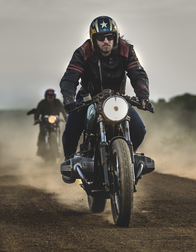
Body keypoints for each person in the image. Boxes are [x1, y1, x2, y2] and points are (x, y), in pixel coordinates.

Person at [59, 15, 151, 170]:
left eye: (109, 37)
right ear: (94, 39)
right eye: (101, 37)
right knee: (71, 129)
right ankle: (68, 163)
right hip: (88, 99)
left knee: (139, 130)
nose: (106, 41)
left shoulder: (126, 50)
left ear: (115, 38)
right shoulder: (83, 52)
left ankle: (129, 158)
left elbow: (137, 74)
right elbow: (70, 78)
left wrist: (143, 96)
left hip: (117, 100)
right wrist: (68, 98)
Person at [34, 89, 67, 156]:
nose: (50, 98)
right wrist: (36, 119)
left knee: (58, 132)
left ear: (54, 97)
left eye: (52, 97)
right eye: (49, 96)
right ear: (46, 97)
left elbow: (63, 111)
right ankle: (40, 149)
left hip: (55, 121)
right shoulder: (42, 103)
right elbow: (37, 111)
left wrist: (66, 119)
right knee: (41, 133)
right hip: (44, 122)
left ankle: (57, 147)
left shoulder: (57, 102)